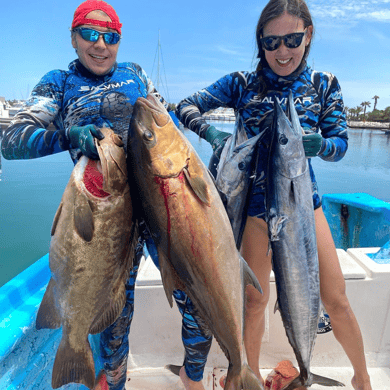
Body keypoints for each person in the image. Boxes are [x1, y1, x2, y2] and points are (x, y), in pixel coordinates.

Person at [1, 1, 212, 389]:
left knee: (200, 302)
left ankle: (192, 376)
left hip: (157, 210)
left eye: (110, 36)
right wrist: (69, 135)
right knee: (115, 321)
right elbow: (11, 140)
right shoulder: (58, 84)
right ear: (73, 37)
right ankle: (114, 381)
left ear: (119, 40)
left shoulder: (134, 74)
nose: (100, 45)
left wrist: (208, 133)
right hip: (101, 222)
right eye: (90, 34)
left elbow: (166, 119)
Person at [175, 1, 373, 389]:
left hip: (303, 205)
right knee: (255, 302)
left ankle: (362, 378)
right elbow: (184, 105)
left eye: (292, 40)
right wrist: (211, 135)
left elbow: (341, 143)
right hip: (254, 210)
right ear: (260, 42)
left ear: (308, 36)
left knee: (337, 301)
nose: (282, 51)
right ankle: (246, 376)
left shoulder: (323, 84)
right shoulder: (241, 83)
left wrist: (323, 147)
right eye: (271, 42)